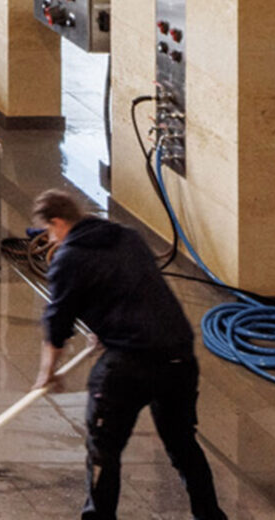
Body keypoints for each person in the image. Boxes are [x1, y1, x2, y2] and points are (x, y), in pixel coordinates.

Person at [32, 186, 227, 520]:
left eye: (49, 231)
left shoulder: (69, 257)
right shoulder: (128, 236)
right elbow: (133, 290)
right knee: (182, 444)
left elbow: (57, 321)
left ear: (58, 222)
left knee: (103, 450)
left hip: (129, 366)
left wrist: (46, 374)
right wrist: (106, 327)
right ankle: (210, 516)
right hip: (178, 355)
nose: (51, 239)